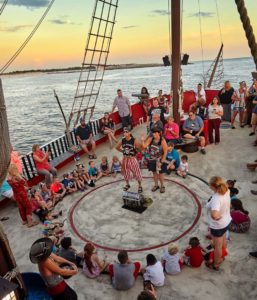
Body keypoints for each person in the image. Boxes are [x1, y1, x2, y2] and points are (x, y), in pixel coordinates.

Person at [206, 176, 231, 271]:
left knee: (217, 247)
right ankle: (223, 254)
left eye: (210, 186)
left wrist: (216, 217)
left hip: (218, 226)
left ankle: (216, 264)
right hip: (227, 221)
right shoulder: (226, 190)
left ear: (213, 186)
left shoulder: (216, 198)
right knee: (223, 239)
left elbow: (214, 215)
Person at [141, 127, 168, 193]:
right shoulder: (151, 139)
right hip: (152, 159)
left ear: (159, 133)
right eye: (153, 133)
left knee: (161, 174)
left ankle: (162, 186)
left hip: (160, 160)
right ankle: (156, 185)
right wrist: (142, 140)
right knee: (154, 173)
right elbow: (144, 146)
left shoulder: (162, 141)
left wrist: (161, 162)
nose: (154, 134)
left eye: (155, 133)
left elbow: (165, 152)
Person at [116, 127, 143, 193]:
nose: (125, 133)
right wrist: (123, 151)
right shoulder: (122, 140)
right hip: (125, 158)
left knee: (136, 172)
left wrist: (136, 152)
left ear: (130, 133)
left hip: (132, 158)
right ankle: (127, 184)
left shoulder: (134, 140)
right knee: (125, 173)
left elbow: (140, 148)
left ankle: (140, 186)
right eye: (124, 132)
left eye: (126, 132)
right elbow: (117, 147)